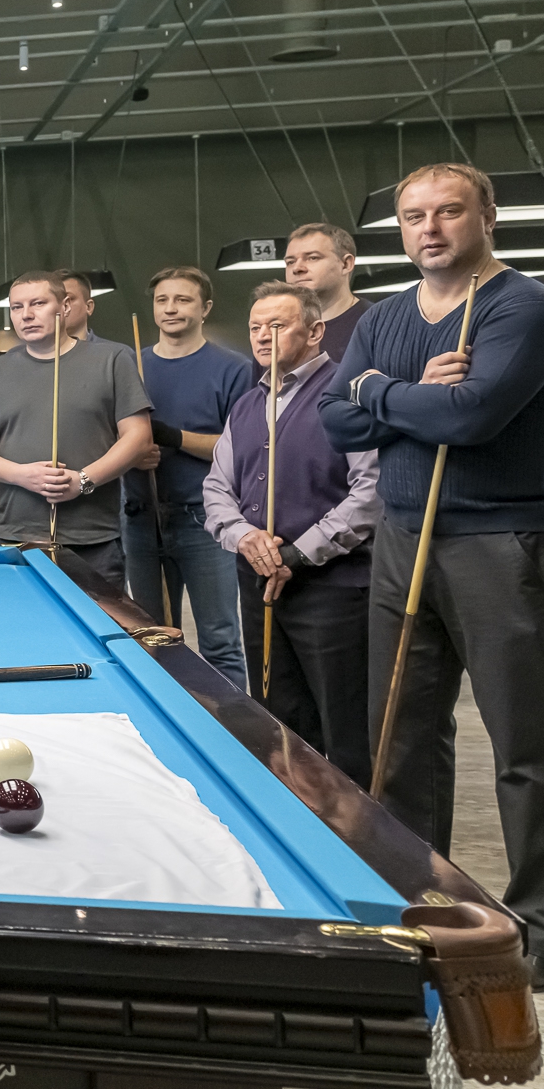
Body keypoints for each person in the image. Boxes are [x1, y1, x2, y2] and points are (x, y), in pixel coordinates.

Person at [322, 162, 544, 992]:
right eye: (413, 216)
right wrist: (405, 396)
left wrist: (376, 391)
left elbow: (469, 418)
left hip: (497, 541)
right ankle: (422, 906)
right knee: (401, 739)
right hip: (403, 537)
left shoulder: (524, 308)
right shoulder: (387, 316)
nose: (429, 229)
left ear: (487, 217)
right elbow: (334, 420)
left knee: (526, 748)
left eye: (448, 212)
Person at [203, 283, 378, 782]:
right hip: (259, 582)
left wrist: (298, 553)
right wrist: (242, 535)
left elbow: (370, 492)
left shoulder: (347, 397)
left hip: (332, 589)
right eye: (256, 327)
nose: (263, 336)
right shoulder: (246, 405)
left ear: (316, 330)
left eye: (277, 326)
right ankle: (294, 814)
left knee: (344, 726)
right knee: (277, 716)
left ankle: (353, 826)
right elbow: (217, 486)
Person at [0, 272, 153, 589]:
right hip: (13, 536)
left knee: (95, 622)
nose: (26, 314)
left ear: (64, 307)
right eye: (17, 307)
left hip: (93, 540)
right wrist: (22, 475)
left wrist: (83, 480)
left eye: (38, 303)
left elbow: (139, 437)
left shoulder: (112, 359)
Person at [123, 266, 254, 690]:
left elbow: (241, 447)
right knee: (150, 638)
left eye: (183, 300)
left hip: (205, 521)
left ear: (205, 308)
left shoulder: (233, 368)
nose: (170, 308)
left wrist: (174, 437)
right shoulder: (130, 366)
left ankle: (231, 724)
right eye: (162, 300)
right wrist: (131, 454)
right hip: (141, 519)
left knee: (220, 640)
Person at [284, 221, 373, 361]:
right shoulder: (275, 330)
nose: (297, 268)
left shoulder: (376, 323)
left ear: (346, 264)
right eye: (290, 262)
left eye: (312, 258)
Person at [59, 269, 103, 342]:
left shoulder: (113, 349)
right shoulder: (37, 348)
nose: (59, 305)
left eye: (68, 299)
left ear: (89, 307)